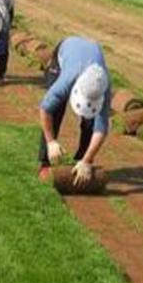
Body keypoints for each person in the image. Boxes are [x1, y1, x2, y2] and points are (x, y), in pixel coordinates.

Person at [38, 36, 111, 187]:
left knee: (91, 121)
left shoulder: (104, 86)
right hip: (65, 52)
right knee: (56, 109)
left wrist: (87, 160)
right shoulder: (67, 79)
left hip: (89, 53)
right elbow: (45, 109)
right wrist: (51, 142)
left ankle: (82, 160)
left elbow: (101, 127)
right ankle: (45, 163)